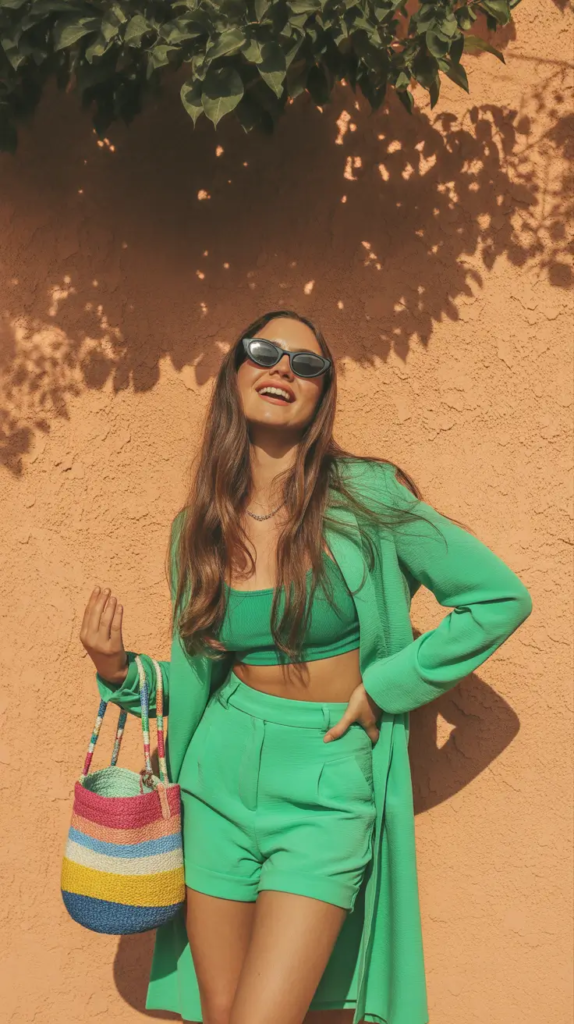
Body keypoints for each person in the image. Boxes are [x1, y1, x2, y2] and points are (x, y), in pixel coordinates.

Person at [80, 310, 533, 1024]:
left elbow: (498, 598)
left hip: (326, 776)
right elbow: (199, 678)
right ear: (235, 373)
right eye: (264, 352)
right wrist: (117, 672)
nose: (284, 369)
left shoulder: (368, 495)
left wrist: (385, 688)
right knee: (220, 1013)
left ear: (323, 393)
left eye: (307, 363)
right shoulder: (197, 526)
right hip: (216, 776)